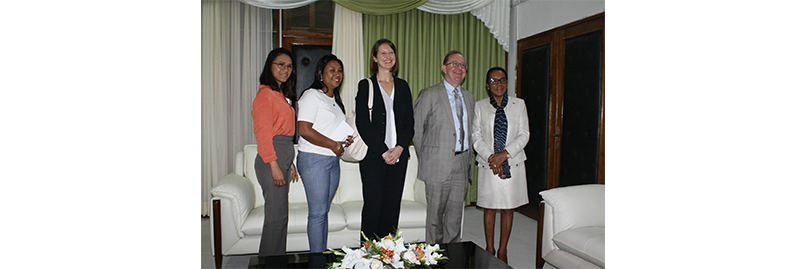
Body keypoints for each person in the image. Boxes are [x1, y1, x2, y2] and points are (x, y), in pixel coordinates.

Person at [355, 39, 414, 240]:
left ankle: (389, 254)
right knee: (373, 206)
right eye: (383, 53)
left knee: (392, 207)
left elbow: (409, 124)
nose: (388, 57)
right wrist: (383, 151)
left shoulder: (403, 86)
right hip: (374, 158)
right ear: (374, 58)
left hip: (398, 157)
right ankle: (368, 255)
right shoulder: (366, 85)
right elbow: (363, 123)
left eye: (391, 53)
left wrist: (398, 149)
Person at [413, 50, 475, 244]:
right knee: (435, 218)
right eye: (454, 64)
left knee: (456, 217)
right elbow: (416, 131)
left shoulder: (470, 97)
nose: (459, 68)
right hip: (437, 164)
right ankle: (434, 256)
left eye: (463, 65)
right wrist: (428, 158)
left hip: (462, 164)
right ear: (444, 68)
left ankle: (453, 256)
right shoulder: (429, 94)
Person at [296, 54, 354, 253]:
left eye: (340, 70)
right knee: (318, 213)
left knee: (323, 212)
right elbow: (304, 129)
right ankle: (316, 259)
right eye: (332, 70)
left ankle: (319, 253)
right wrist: (333, 144)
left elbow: (329, 129)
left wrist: (342, 141)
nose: (337, 74)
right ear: (321, 73)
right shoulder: (311, 95)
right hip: (314, 159)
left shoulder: (334, 101)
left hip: (331, 161)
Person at [471, 67, 530, 264]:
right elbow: (476, 136)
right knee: (489, 207)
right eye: (494, 81)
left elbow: (524, 134)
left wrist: (504, 155)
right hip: (489, 165)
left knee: (507, 208)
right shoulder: (480, 106)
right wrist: (491, 157)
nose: (499, 84)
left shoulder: (518, 104)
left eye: (503, 80)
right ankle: (489, 247)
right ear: (488, 85)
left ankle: (503, 250)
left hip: (512, 162)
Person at [251, 48, 298, 256]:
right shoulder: (265, 95)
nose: (285, 70)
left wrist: (290, 163)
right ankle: (270, 262)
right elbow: (263, 135)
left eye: (288, 66)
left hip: (281, 157)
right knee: (276, 219)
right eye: (280, 64)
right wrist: (275, 165)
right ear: (270, 66)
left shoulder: (280, 94)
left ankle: (273, 261)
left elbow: (283, 132)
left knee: (279, 218)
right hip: (271, 159)